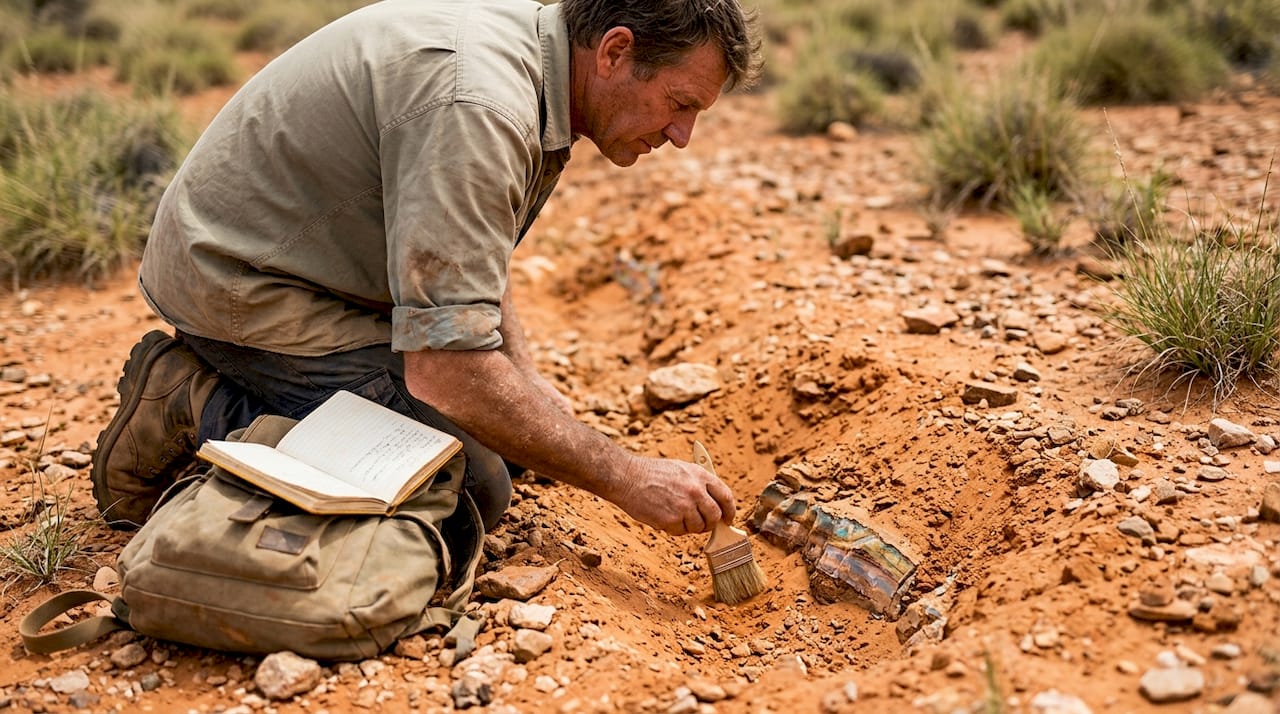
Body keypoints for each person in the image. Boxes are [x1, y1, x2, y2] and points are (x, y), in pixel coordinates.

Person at [91, 0, 762, 538]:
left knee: (516, 432)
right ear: (615, 51)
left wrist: (525, 379)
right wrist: (624, 477)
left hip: (307, 266)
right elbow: (449, 370)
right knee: (468, 485)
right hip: (241, 283)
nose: (682, 137)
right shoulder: (481, 104)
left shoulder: (533, 58)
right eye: (680, 104)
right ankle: (193, 401)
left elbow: (469, 256)